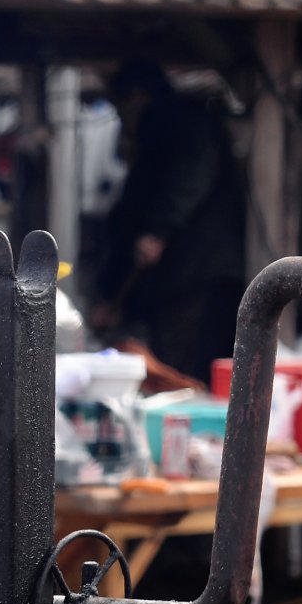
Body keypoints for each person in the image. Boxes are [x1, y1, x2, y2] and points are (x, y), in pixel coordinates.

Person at [92, 60, 246, 381]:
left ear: (136, 97)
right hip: (184, 274)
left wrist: (158, 231)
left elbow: (188, 178)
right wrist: (110, 292)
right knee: (178, 359)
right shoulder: (169, 127)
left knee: (189, 363)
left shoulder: (182, 124)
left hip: (196, 271)